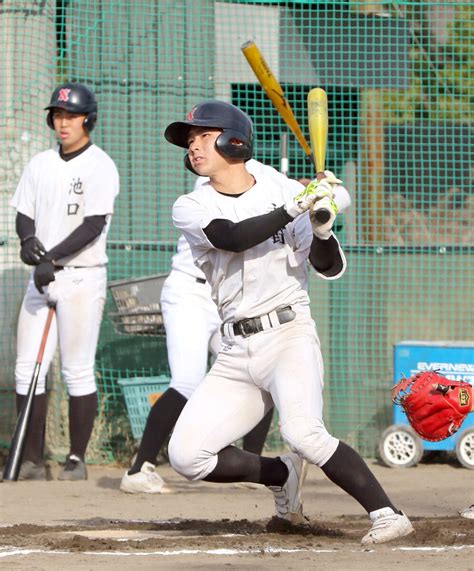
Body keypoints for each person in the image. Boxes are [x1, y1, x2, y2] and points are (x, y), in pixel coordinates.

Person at [163, 100, 413, 545]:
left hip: (288, 334)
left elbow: (329, 267)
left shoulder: (281, 188)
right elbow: (233, 237)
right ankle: (279, 473)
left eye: (203, 135)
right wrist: (296, 206)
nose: (193, 145)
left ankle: (388, 514)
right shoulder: (191, 204)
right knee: (186, 456)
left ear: (232, 141)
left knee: (304, 432)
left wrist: (320, 227)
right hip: (236, 348)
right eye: (190, 139)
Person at [119, 157, 351, 494]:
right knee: (187, 379)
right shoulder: (213, 184)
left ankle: (261, 467)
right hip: (191, 293)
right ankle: (139, 468)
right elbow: (254, 222)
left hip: (236, 305)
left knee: (262, 368)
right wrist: (308, 192)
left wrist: (328, 194)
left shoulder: (261, 176)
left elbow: (324, 202)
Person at [10, 82, 119, 481]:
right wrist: (28, 243)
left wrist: (51, 257)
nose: (63, 122)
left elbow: (93, 225)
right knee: (27, 369)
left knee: (76, 370)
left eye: (71, 115)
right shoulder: (41, 163)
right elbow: (25, 211)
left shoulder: (100, 165)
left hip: (81, 278)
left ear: (88, 119)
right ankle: (33, 460)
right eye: (57, 115)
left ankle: (76, 459)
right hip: (43, 275)